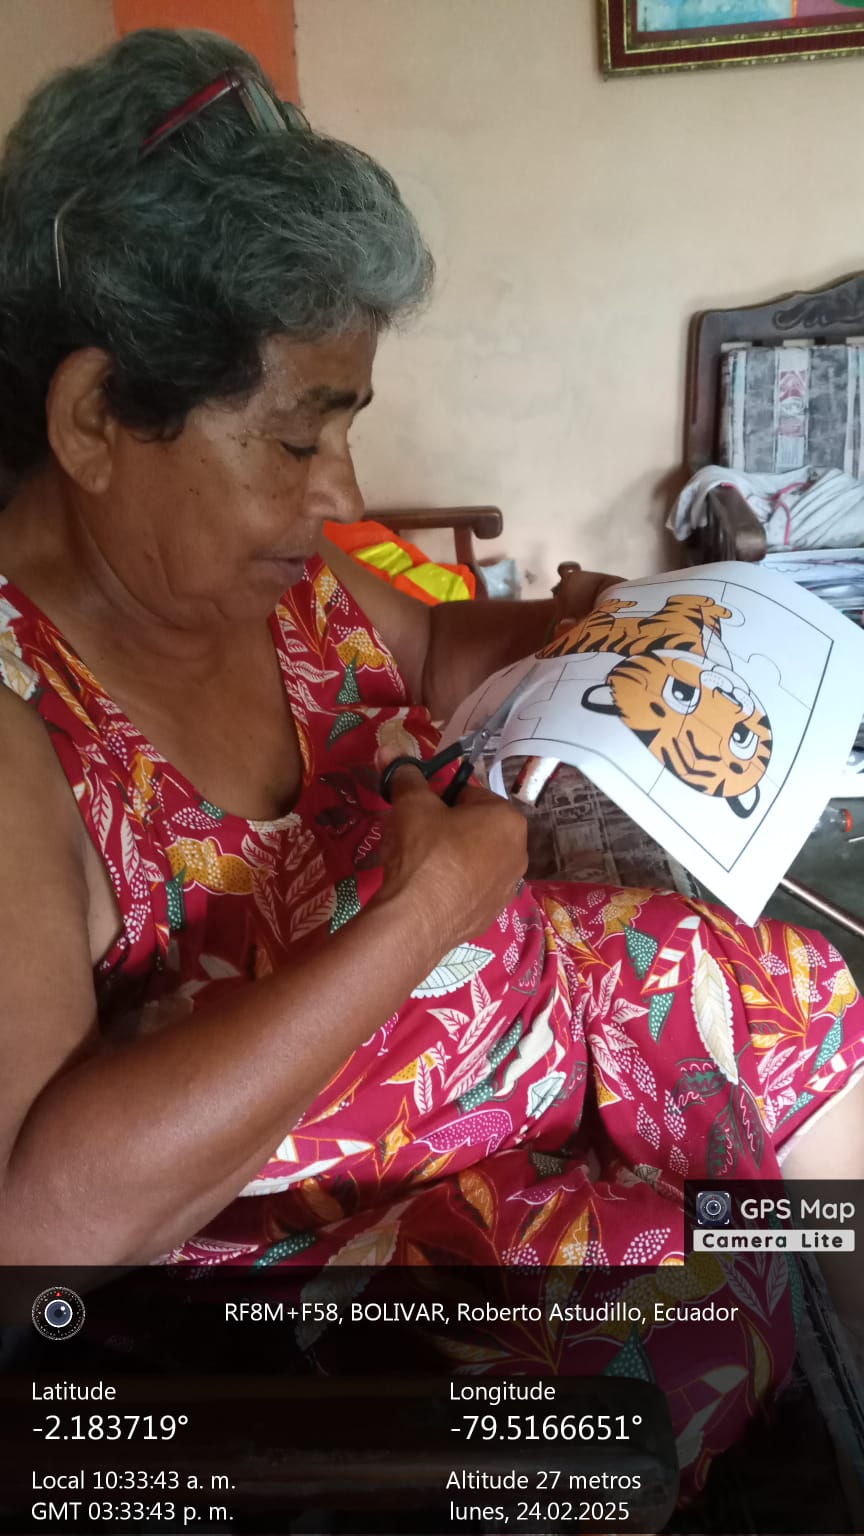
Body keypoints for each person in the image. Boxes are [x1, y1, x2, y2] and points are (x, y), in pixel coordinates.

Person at [0, 26, 862, 1497]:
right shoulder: (26, 722)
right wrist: (423, 921)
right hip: (317, 1228)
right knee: (631, 1363)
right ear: (94, 418)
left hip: (515, 1041)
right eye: (298, 440)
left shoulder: (270, 576)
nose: (340, 493)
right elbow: (40, 1220)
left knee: (796, 1038)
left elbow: (436, 650)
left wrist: (599, 629)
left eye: (348, 428)